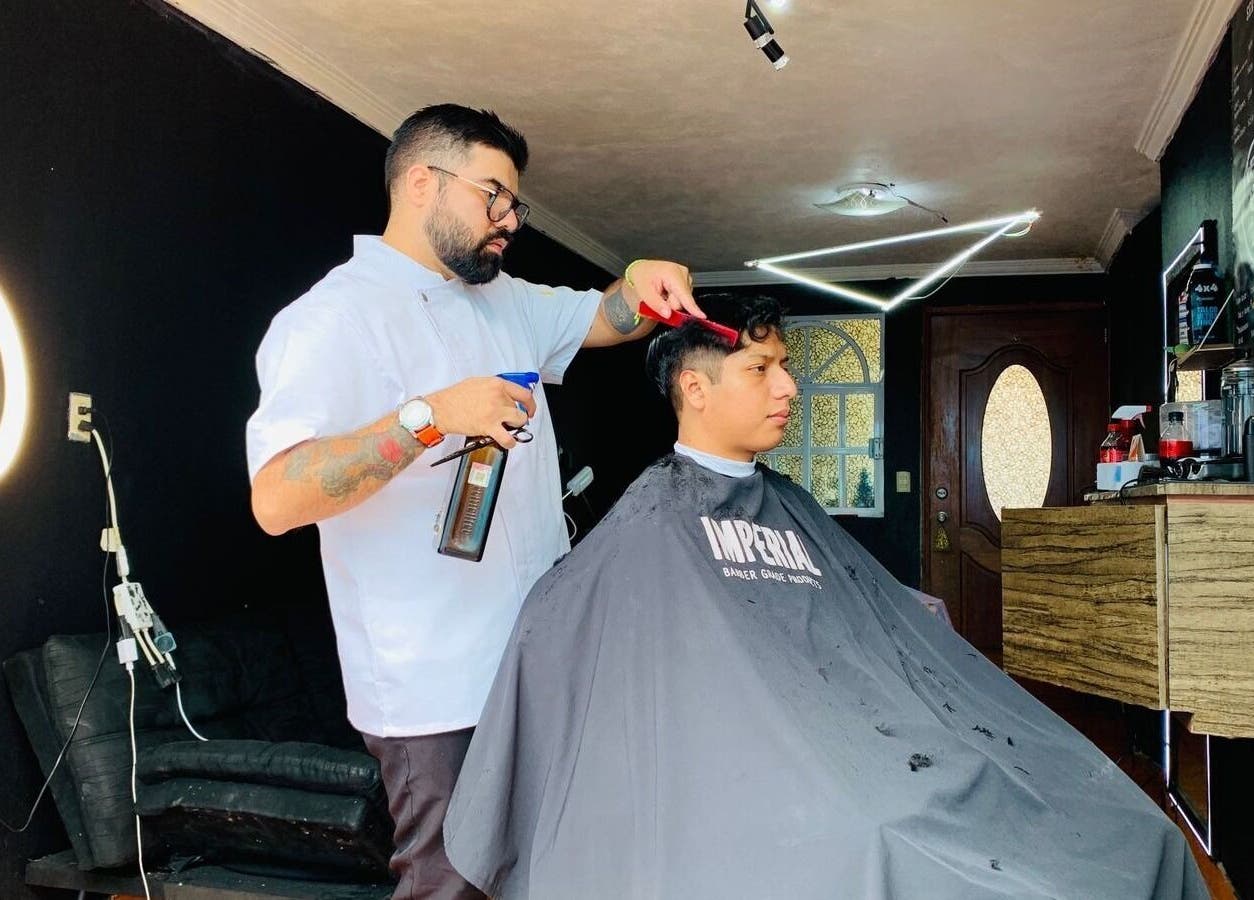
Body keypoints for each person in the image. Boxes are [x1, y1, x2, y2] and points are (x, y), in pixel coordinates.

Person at [442, 295, 1207, 899]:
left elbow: (854, 604)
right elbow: (563, 629)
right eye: (762, 370)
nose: (788, 387)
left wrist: (903, 614)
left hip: (872, 742)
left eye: (786, 367)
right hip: (777, 778)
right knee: (873, 834)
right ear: (695, 388)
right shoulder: (651, 524)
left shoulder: (789, 502)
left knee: (1110, 821)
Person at [244, 103, 704, 900]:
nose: (509, 220)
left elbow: (605, 316)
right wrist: (427, 420)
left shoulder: (504, 301)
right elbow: (278, 497)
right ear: (422, 181)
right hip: (434, 689)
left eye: (513, 204)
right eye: (494, 196)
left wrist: (640, 280)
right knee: (452, 887)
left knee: (544, 871)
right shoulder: (332, 318)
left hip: (534, 656)